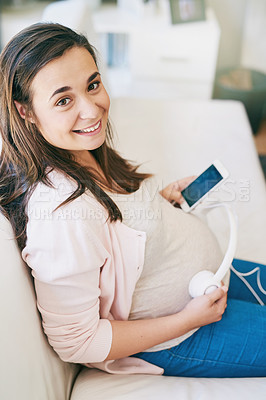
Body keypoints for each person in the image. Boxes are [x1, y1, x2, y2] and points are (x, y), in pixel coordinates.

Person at [0, 23, 265, 378]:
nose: (92, 110)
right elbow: (77, 341)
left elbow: (114, 229)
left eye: (92, 85)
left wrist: (160, 205)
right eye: (64, 100)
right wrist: (188, 318)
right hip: (183, 332)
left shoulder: (81, 150)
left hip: (210, 282)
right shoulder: (58, 213)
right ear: (25, 112)